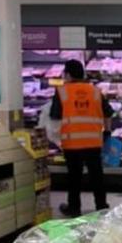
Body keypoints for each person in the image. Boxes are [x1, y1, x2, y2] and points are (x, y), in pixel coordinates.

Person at [50, 60, 114, 217]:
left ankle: (74, 208)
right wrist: (107, 132)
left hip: (72, 143)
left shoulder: (61, 92)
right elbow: (108, 113)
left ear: (69, 74)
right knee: (97, 176)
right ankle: (101, 206)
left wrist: (56, 138)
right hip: (93, 141)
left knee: (74, 178)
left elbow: (55, 117)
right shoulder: (95, 91)